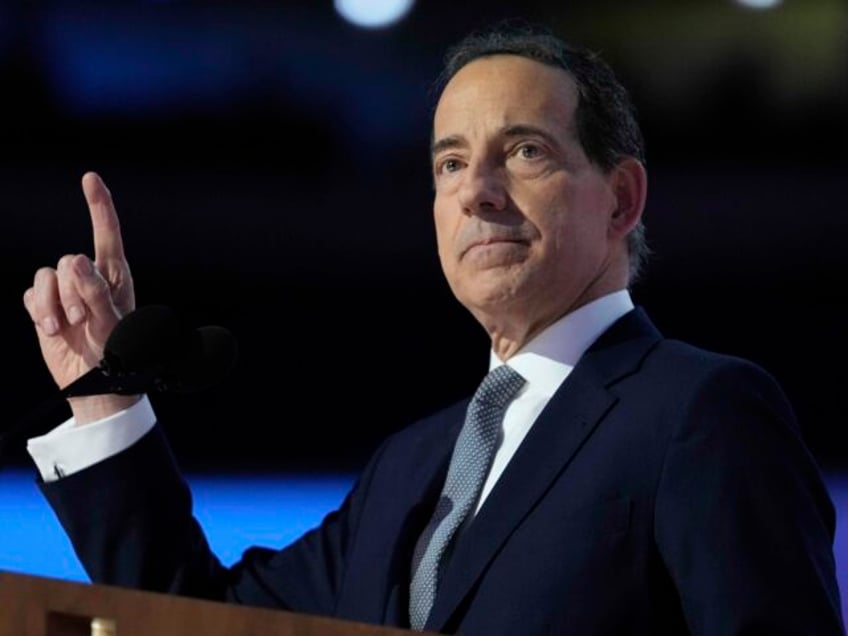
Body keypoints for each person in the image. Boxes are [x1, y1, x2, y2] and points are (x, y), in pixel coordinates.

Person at [20, 21, 844, 635]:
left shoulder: (702, 415)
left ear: (621, 199)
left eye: (524, 152)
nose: (476, 191)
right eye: (450, 163)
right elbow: (207, 621)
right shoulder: (411, 468)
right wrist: (107, 408)